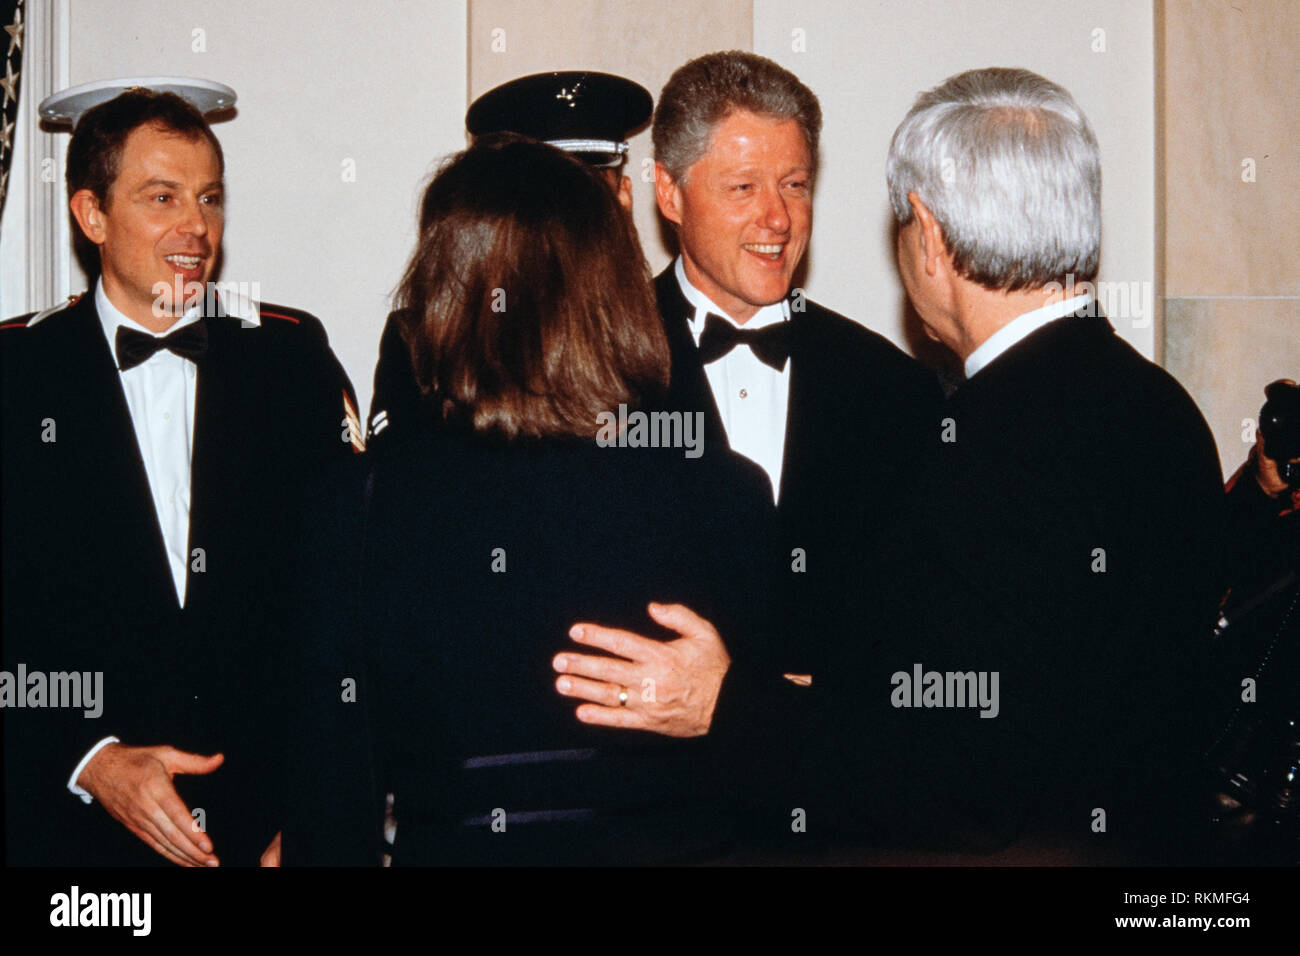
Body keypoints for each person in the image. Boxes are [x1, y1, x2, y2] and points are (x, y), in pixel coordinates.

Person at [288, 134, 786, 866]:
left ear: (441, 294)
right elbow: (775, 778)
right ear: (616, 291)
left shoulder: (358, 504)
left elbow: (331, 809)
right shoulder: (727, 493)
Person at [549, 53, 942, 818]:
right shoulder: (587, 371)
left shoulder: (894, 389)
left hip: (839, 814)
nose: (778, 219)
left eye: (795, 185)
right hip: (643, 811)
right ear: (668, 191)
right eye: (743, 188)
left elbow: (921, 625)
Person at [1, 87, 358, 867]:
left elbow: (350, 609)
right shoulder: (16, 376)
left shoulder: (290, 361)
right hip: (70, 841)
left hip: (266, 835)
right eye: (161, 197)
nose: (195, 227)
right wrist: (88, 758)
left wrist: (319, 819)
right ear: (90, 215)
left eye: (209, 199)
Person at [366, 70, 653, 452]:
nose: (563, 226)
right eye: (545, 205)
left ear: (622, 201)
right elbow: (404, 480)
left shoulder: (659, 329)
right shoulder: (430, 337)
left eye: (583, 204)